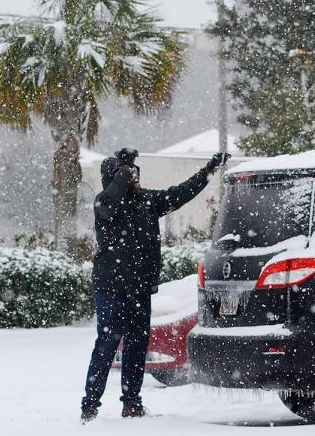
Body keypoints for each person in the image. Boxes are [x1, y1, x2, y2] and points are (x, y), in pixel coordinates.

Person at [80, 147, 231, 423]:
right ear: (114, 179)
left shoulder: (147, 202)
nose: (135, 178)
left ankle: (132, 403)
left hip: (138, 287)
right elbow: (113, 198)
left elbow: (182, 192)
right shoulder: (104, 203)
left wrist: (210, 168)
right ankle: (89, 407)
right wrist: (124, 171)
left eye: (136, 174)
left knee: (138, 344)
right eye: (128, 175)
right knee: (108, 342)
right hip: (111, 286)